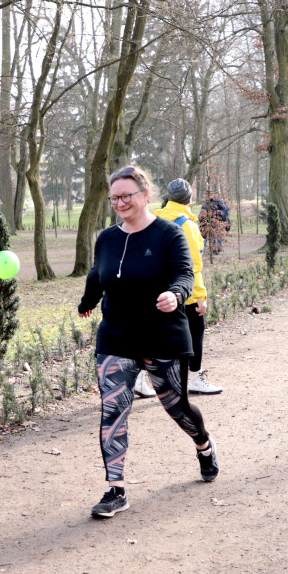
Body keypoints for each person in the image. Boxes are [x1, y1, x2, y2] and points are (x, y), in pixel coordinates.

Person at [79, 165, 219, 519]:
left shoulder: (168, 234)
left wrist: (176, 294)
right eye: (115, 197)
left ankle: (204, 446)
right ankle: (115, 489)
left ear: (145, 196)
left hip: (162, 336)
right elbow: (99, 273)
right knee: (113, 411)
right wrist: (87, 302)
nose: (120, 202)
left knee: (177, 408)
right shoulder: (107, 238)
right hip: (116, 338)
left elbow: (184, 273)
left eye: (127, 195)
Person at [152, 179, 222, 395]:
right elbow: (193, 266)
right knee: (195, 331)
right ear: (190, 199)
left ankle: (141, 379)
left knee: (157, 336)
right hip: (184, 292)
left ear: (170, 197)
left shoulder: (156, 220)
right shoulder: (187, 225)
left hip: (159, 290)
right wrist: (200, 296)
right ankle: (194, 378)